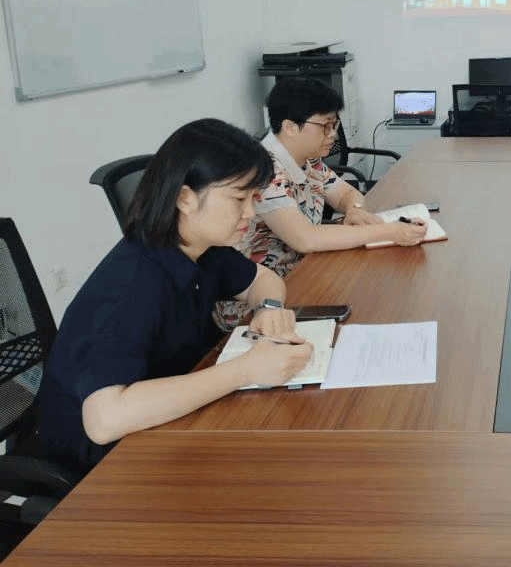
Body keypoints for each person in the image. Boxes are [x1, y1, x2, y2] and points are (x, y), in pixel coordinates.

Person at [37, 119, 313, 473]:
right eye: (239, 199)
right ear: (185, 198)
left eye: (254, 198)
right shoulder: (132, 284)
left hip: (168, 416)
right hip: (102, 462)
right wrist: (244, 371)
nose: (250, 213)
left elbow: (264, 279)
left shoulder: (201, 247)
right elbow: (104, 420)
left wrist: (269, 309)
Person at [216, 78, 426, 329]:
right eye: (325, 126)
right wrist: (389, 231)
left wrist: (354, 211)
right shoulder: (265, 170)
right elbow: (306, 239)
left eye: (334, 125)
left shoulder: (309, 158)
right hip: (257, 303)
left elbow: (347, 193)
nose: (333, 134)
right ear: (290, 127)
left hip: (305, 270)